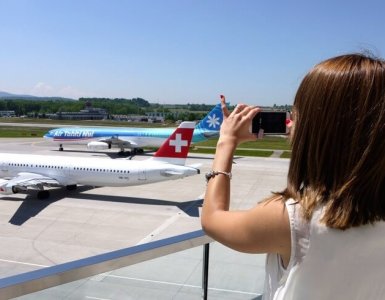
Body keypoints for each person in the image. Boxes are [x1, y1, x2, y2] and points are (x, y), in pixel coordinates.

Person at [201, 53, 385, 299]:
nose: (288, 125)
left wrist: (226, 142)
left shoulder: (291, 218)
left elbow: (212, 220)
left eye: (295, 116)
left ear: (318, 129)